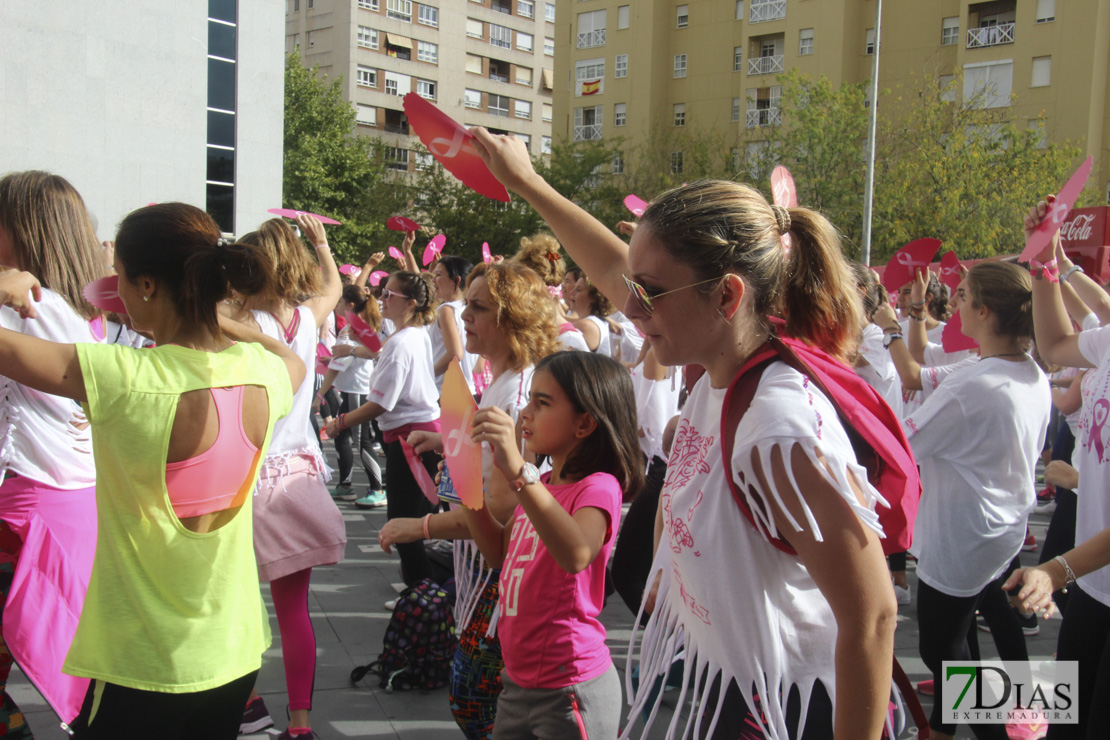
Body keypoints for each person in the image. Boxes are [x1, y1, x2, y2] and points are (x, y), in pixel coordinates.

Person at [470, 128, 898, 739]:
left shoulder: (778, 427)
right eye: (633, 290)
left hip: (783, 710)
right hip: (728, 682)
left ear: (727, 295)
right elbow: (620, 272)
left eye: (648, 293)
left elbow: (874, 619)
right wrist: (528, 184)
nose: (631, 308)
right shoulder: (719, 366)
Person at [0, 202, 303, 739]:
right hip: (232, 653)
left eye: (118, 275)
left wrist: (5, 284)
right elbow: (290, 356)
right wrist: (219, 317)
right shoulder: (263, 374)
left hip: (143, 665)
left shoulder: (124, 378)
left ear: (144, 284)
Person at [378, 260, 559, 738]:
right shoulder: (503, 381)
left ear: (513, 319)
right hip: (479, 574)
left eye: (478, 308)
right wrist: (444, 442)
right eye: (468, 305)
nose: (464, 317)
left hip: (499, 585)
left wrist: (417, 528)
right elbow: (481, 457)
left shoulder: (520, 391)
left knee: (477, 703)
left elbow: (501, 516)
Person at [899, 262, 1049, 740]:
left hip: (963, 538)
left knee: (941, 648)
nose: (956, 301)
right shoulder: (1025, 370)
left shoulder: (975, 385)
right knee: (965, 633)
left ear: (983, 311)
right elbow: (920, 372)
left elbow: (904, 445)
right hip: (998, 530)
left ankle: (979, 728)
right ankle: (974, 723)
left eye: (962, 295)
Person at [463, 351, 644, 738]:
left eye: (541, 403)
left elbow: (577, 553)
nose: (525, 413)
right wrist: (468, 495)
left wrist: (517, 473)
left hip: (571, 687)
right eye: (529, 399)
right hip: (518, 683)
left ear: (585, 424)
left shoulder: (597, 487)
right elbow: (498, 552)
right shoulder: (542, 487)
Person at [230, 215, 346, 740]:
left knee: (235, 604)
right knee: (294, 610)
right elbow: (336, 285)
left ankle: (248, 704)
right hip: (300, 474)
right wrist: (322, 245)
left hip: (249, 480)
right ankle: (300, 724)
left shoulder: (243, 320)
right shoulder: (306, 314)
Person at [0, 171, 107, 736]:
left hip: (24, 514)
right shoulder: (83, 315)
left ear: (19, 231)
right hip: (75, 508)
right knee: (83, 674)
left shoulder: (23, 308)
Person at [1019, 194, 1110, 738]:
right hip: (1093, 580)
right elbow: (1054, 345)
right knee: (1065, 715)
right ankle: (985, 715)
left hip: (1080, 567)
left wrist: (1053, 571)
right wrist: (1044, 258)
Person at [326, 271, 440, 587]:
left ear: (413, 303)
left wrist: (341, 422)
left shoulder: (404, 341)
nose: (381, 299)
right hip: (414, 433)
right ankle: (422, 594)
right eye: (381, 292)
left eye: (390, 295)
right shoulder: (412, 335)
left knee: (403, 525)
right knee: (411, 521)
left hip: (412, 437)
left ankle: (424, 600)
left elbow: (380, 404)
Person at [314, 284, 385, 507]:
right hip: (355, 389)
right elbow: (343, 360)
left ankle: (377, 489)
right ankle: (346, 485)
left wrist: (320, 395)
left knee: (361, 441)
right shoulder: (362, 326)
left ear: (350, 305)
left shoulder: (351, 329)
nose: (335, 306)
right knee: (342, 437)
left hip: (358, 391)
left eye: (338, 301)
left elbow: (338, 366)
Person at [430, 255, 478, 394]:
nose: (433, 281)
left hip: (446, 393)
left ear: (456, 280)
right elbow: (478, 366)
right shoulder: (472, 309)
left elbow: (455, 353)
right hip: (468, 391)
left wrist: (426, 376)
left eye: (438, 275)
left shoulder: (446, 311)